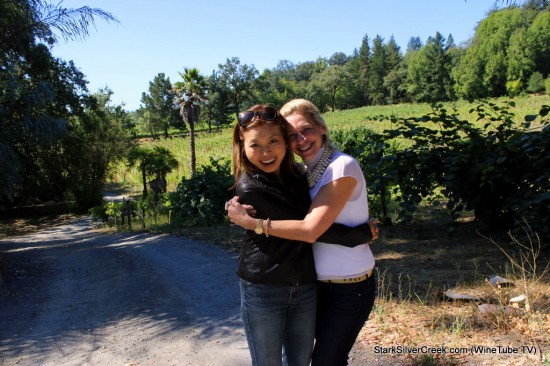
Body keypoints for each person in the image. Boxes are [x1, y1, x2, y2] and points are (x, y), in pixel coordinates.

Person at [227, 99, 377, 366]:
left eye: (274, 140)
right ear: (243, 147)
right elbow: (308, 228)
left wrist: (359, 235)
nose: (266, 151)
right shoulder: (254, 186)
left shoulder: (307, 172)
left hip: (323, 286)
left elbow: (309, 227)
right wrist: (357, 235)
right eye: (292, 135)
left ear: (322, 127)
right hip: (273, 285)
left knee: (319, 360)